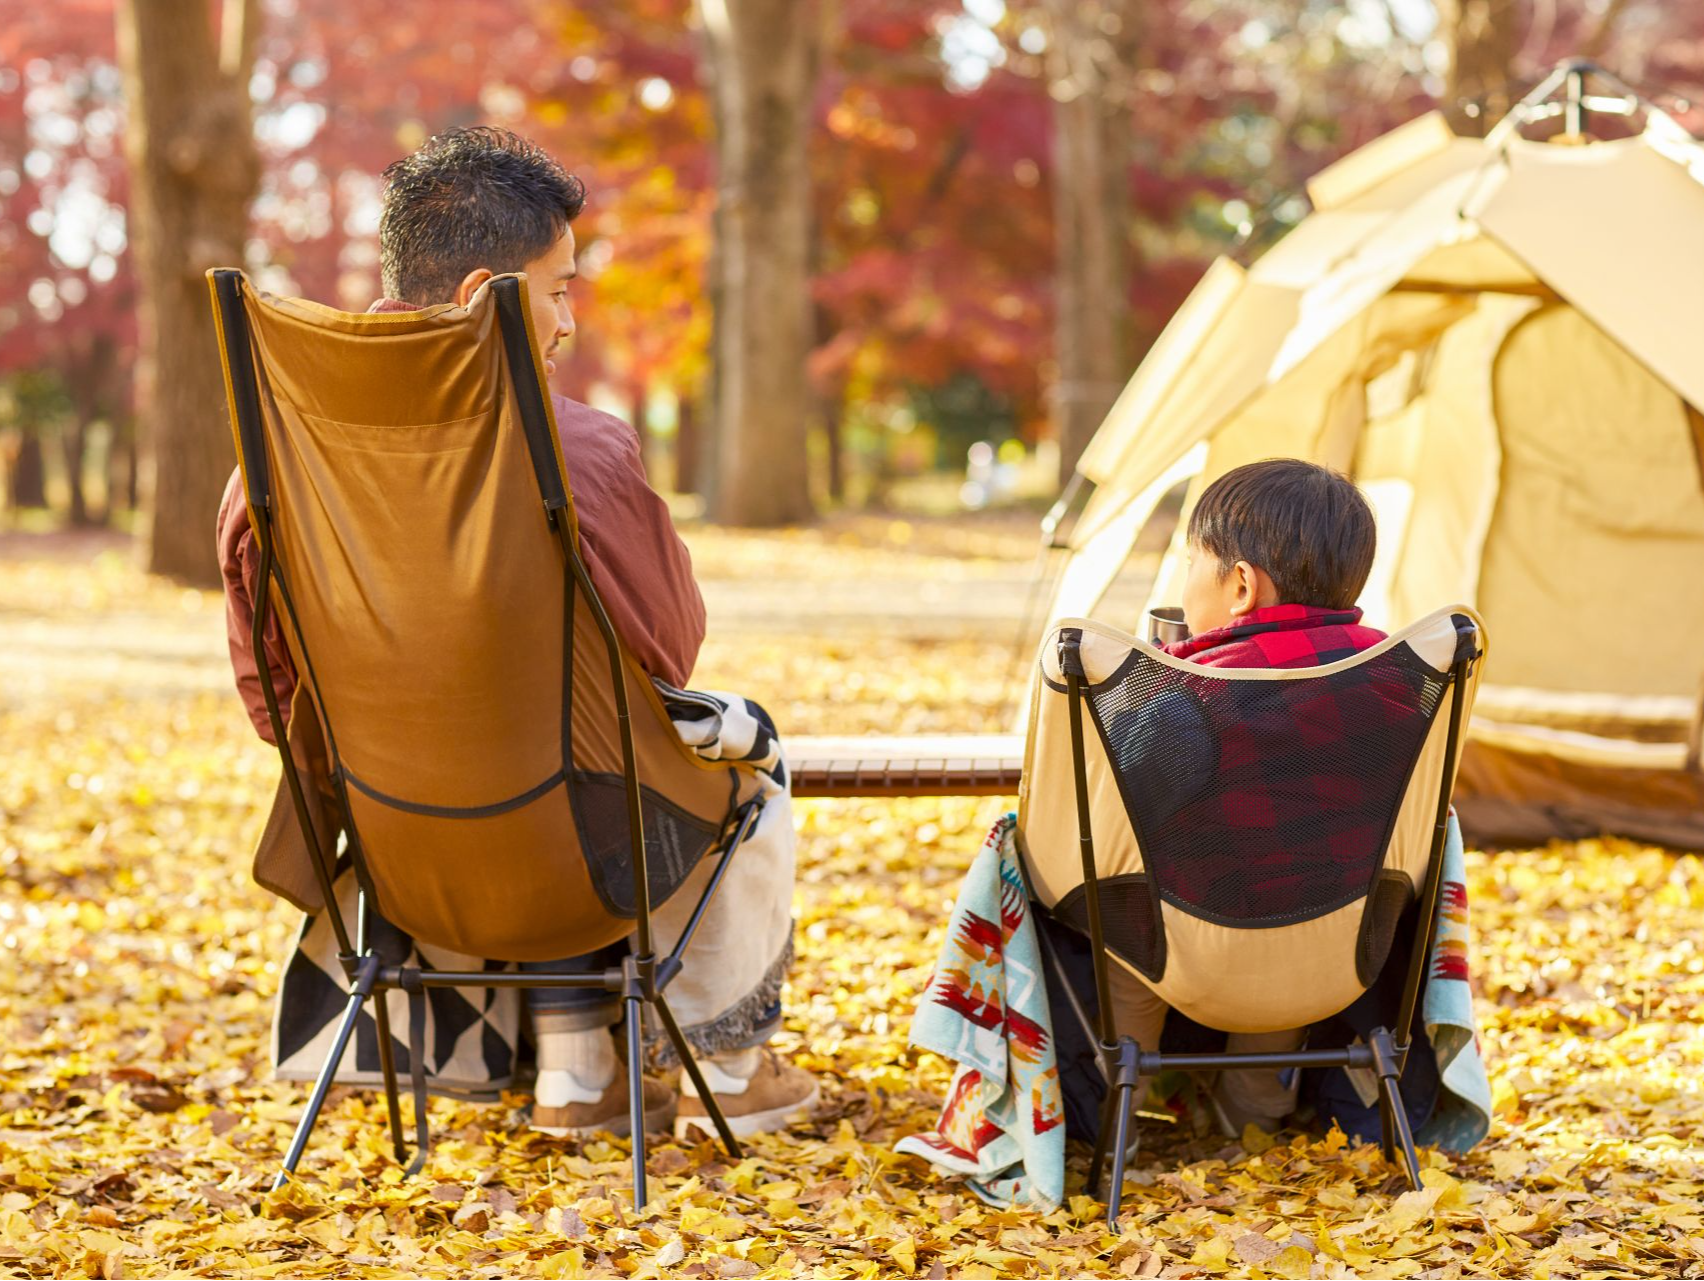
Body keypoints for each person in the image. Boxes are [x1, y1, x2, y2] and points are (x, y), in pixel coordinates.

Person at [216, 126, 816, 1141]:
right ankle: (731, 1066)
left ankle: (577, 1077)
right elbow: (666, 653)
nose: (569, 325)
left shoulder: (270, 466)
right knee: (729, 766)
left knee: (568, 756)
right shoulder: (575, 452)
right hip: (579, 858)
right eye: (559, 289)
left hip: (404, 863)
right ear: (480, 296)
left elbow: (268, 695)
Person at [1102, 457, 1387, 1135]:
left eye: (1190, 563)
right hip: (1337, 955)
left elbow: (1117, 813)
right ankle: (1256, 1115)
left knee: (1120, 898)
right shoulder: (1399, 676)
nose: (1182, 583)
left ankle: (1118, 1101)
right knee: (1292, 891)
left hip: (1195, 960)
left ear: (1239, 585)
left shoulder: (1190, 695)